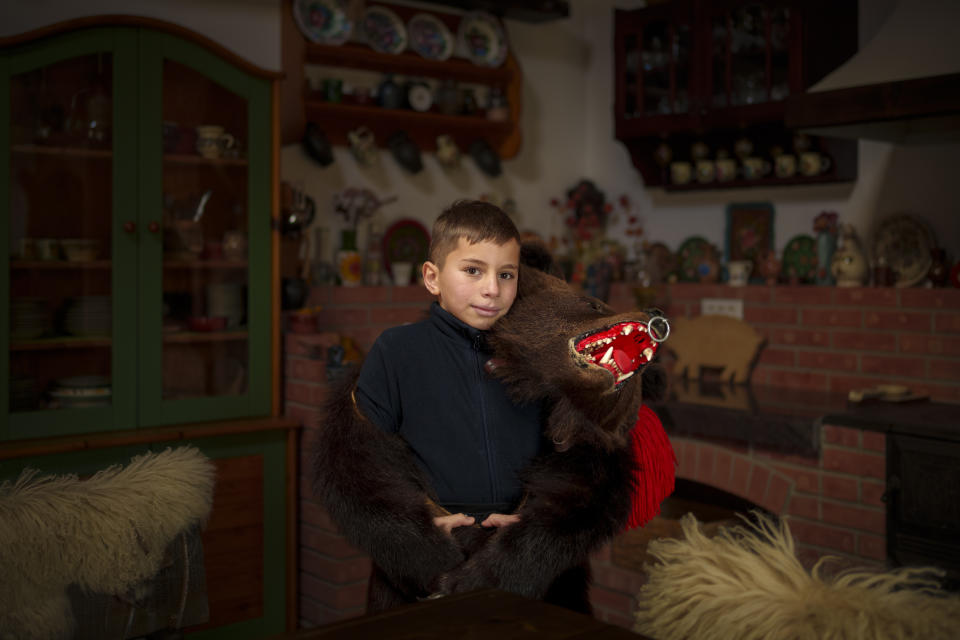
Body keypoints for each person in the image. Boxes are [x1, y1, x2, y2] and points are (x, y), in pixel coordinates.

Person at [322, 199, 545, 611]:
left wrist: (534, 525)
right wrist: (416, 529)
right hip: (425, 568)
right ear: (432, 276)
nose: (492, 289)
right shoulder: (397, 351)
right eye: (473, 270)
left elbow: (562, 457)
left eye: (506, 274)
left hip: (517, 564)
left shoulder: (534, 360)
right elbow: (359, 463)